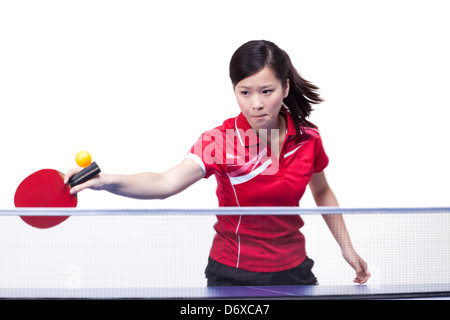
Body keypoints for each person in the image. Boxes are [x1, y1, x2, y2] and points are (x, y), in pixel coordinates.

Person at [65, 40, 370, 286]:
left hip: (294, 268)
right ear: (234, 91)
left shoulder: (308, 138)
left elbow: (323, 191)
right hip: (233, 272)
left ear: (285, 88)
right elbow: (164, 183)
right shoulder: (220, 141)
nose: (256, 103)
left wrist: (346, 246)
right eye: (245, 92)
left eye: (267, 91)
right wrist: (107, 181)